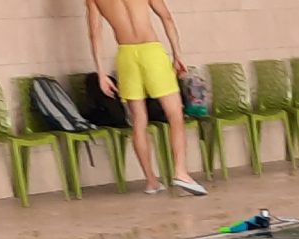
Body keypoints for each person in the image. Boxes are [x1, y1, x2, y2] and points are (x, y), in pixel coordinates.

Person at [83, 0, 208, 196]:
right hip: (151, 52)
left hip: (126, 55)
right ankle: (181, 172)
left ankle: (151, 181)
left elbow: (94, 32)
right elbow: (166, 17)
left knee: (139, 121)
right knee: (175, 114)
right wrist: (177, 54)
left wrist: (101, 73)